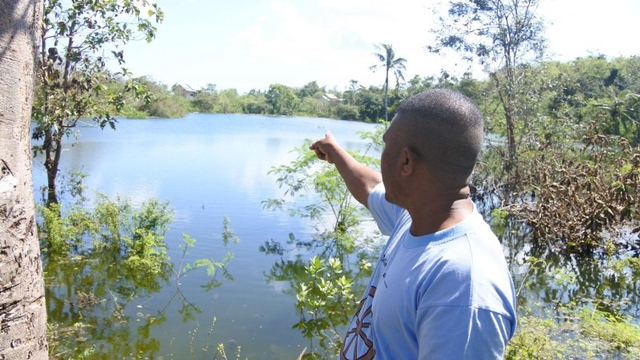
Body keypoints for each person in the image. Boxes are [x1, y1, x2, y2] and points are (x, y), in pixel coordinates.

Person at [309, 89, 517, 360]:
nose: (382, 156)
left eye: (386, 145)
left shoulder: (464, 286)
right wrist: (336, 153)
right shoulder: (415, 216)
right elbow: (371, 186)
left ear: (406, 161)